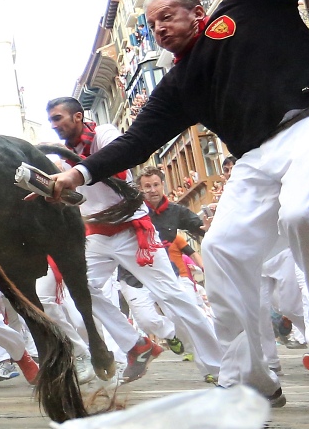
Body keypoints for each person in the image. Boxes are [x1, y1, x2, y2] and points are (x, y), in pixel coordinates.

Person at [50, 0, 309, 408]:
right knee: (224, 250)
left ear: (197, 11)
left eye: (166, 17)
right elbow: (137, 140)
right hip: (256, 159)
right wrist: (78, 172)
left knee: (305, 215)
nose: (158, 29)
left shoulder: (248, 5)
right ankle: (252, 380)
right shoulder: (180, 83)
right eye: (151, 24)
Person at [45, 98, 222, 385]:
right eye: (51, 120)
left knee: (175, 298)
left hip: (133, 232)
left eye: (58, 118)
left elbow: (119, 155)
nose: (54, 125)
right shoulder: (63, 157)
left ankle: (217, 366)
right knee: (79, 288)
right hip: (97, 235)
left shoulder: (104, 134)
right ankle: (136, 345)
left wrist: (73, 174)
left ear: (78, 116)